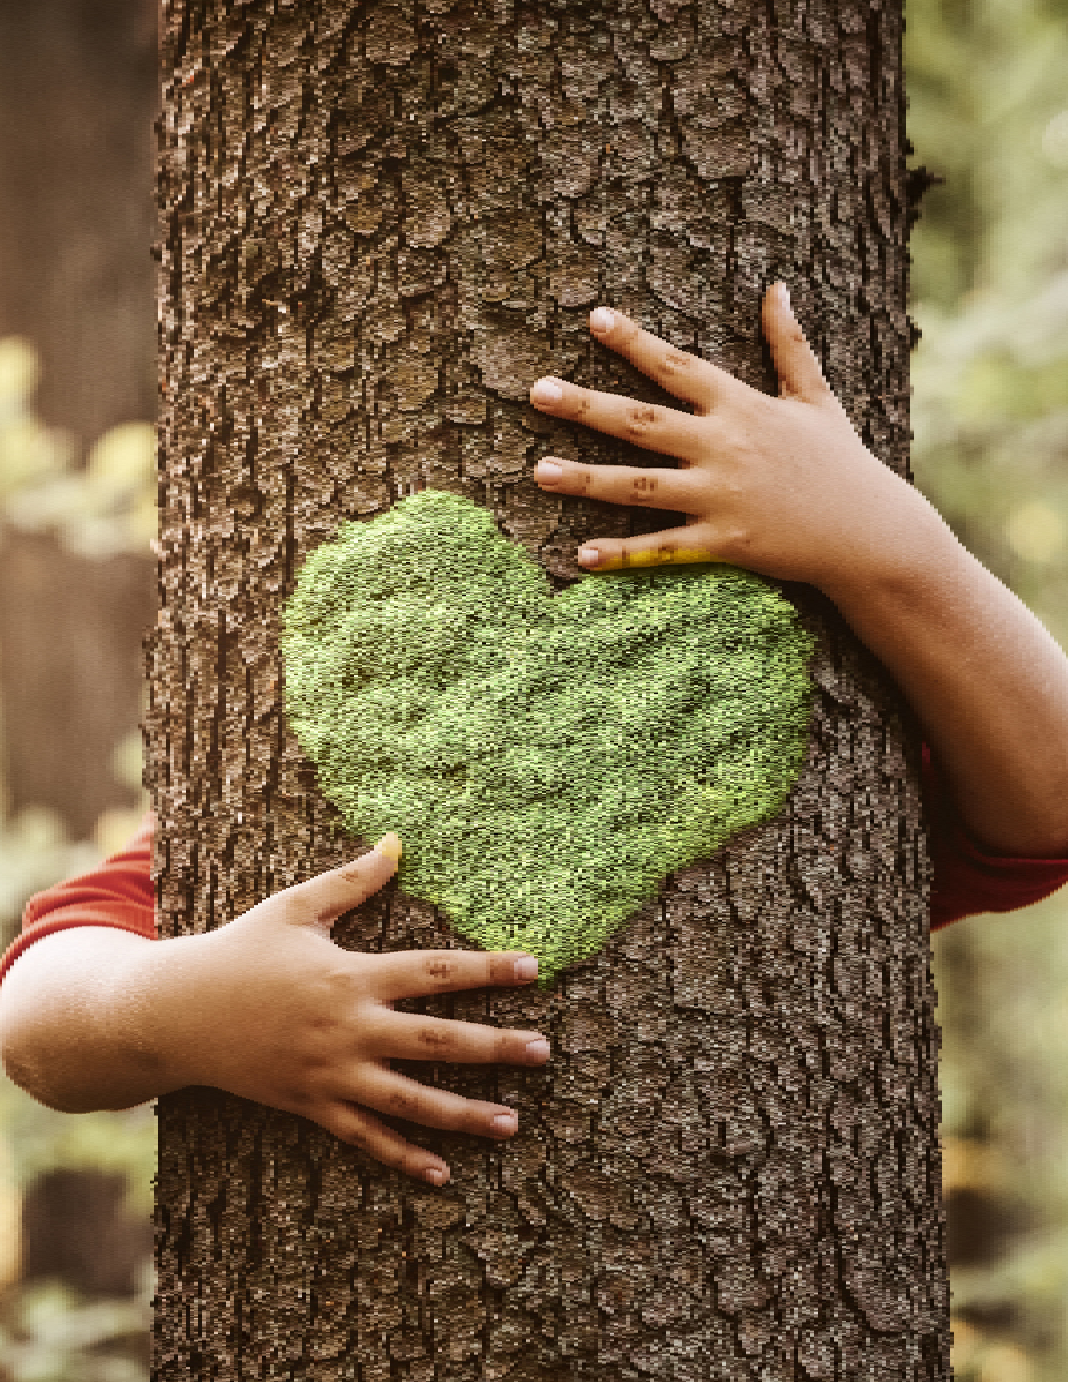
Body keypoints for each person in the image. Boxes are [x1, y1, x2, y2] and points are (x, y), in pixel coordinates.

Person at [3, 283, 1068, 1191]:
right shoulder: (298, 807)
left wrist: (890, 546)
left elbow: (1047, 805)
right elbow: (40, 1014)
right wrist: (183, 1009)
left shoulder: (854, 772)